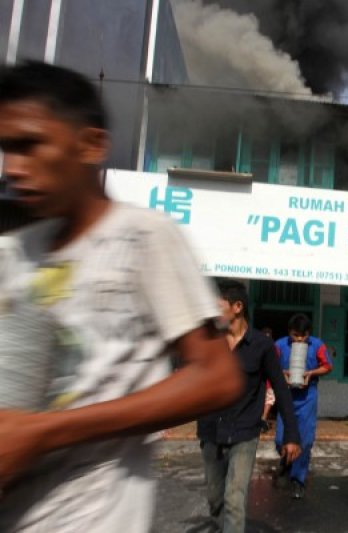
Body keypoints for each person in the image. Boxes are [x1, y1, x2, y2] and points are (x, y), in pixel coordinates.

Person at [0, 61, 243, 532]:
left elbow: (217, 378)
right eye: (6, 149)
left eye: (30, 145)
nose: (13, 168)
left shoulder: (142, 238)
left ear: (91, 145)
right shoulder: (11, 253)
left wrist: (41, 432)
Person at [197, 280, 301, 533]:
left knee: (234, 497)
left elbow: (281, 390)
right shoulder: (209, 342)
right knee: (215, 497)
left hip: (244, 432)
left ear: (237, 307)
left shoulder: (262, 346)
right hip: (211, 430)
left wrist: (291, 435)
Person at [274, 313, 333, 499]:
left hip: (307, 397)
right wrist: (281, 373)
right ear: (289, 333)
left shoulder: (317, 345)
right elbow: (271, 365)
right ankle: (286, 459)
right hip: (286, 396)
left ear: (309, 333)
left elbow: (327, 366)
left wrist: (311, 373)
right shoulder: (280, 345)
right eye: (295, 335)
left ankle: (298, 480)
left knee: (305, 441)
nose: (299, 339)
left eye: (303, 336)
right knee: (280, 438)